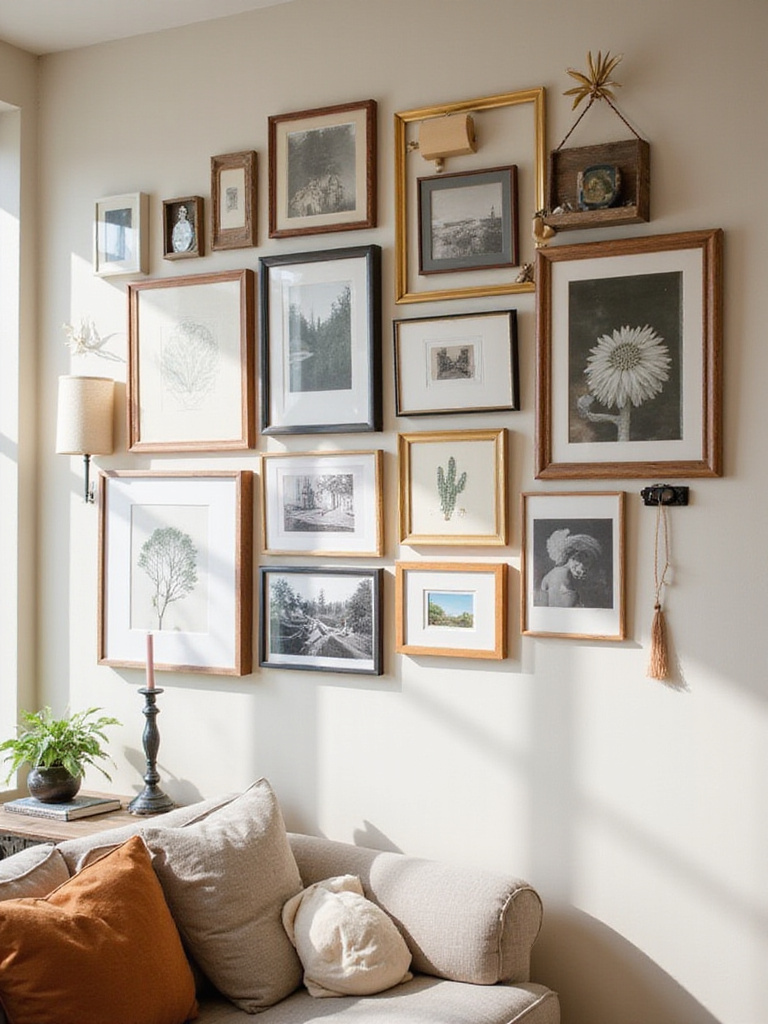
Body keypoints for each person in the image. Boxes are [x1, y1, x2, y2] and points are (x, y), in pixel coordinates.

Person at [539, 528, 602, 607]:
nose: (586, 569)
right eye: (586, 563)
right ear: (576, 557)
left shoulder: (553, 573)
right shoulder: (563, 574)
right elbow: (565, 608)